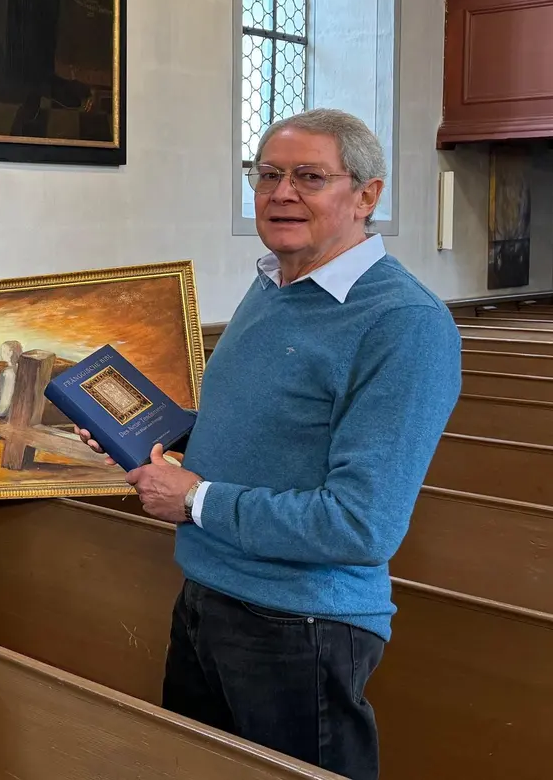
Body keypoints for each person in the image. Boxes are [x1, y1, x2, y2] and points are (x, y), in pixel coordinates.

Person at [78, 108, 460, 780]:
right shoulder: (274, 286)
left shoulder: (403, 323)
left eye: (310, 177)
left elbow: (361, 524)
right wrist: (139, 432)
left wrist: (196, 501)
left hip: (302, 626)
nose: (281, 193)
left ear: (366, 195)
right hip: (208, 595)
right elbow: (260, 431)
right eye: (269, 175)